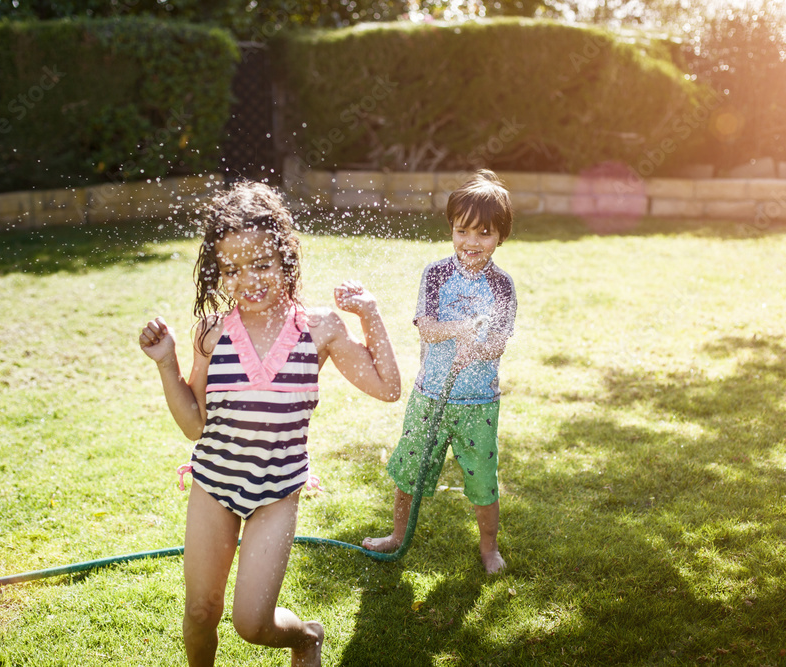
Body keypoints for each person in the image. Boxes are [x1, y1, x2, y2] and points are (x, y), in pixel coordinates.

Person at [139, 180, 401, 667]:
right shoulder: (212, 334)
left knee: (252, 624)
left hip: (276, 492)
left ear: (286, 257)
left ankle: (306, 638)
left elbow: (388, 387)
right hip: (214, 484)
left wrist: (370, 314)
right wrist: (165, 363)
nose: (249, 280)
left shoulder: (319, 328)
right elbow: (194, 426)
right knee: (200, 611)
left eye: (261, 264)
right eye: (232, 269)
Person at [362, 169, 516, 574]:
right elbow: (428, 329)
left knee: (483, 481)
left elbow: (498, 343)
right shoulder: (435, 275)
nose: (471, 242)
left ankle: (488, 547)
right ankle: (397, 535)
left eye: (484, 233)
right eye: (463, 231)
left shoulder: (502, 286)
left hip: (478, 403)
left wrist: (478, 350)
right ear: (451, 228)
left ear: (500, 236)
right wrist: (465, 329)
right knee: (408, 471)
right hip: (430, 395)